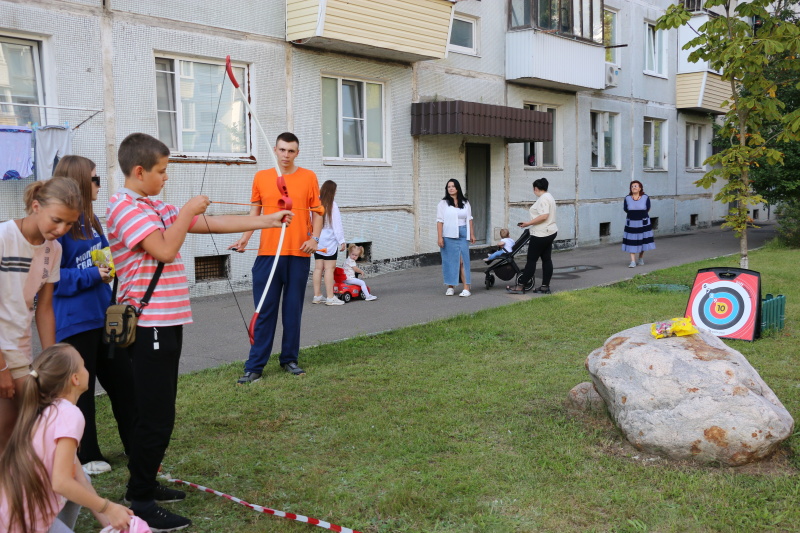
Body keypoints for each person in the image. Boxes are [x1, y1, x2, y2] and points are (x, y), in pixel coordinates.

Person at [107, 132, 292, 531]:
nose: (166, 178)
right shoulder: (123, 207)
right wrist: (189, 207)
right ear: (138, 171)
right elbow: (164, 250)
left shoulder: (154, 203)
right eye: (161, 171)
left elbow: (210, 222)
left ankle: (144, 484)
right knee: (155, 416)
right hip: (150, 324)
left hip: (168, 322)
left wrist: (267, 221)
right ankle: (140, 498)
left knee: (159, 412)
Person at [52, 155, 136, 477]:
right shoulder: (59, 224)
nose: (99, 184)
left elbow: (104, 265)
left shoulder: (92, 220)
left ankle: (135, 444)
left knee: (124, 384)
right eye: (95, 178)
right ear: (77, 182)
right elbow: (50, 280)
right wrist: (91, 276)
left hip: (105, 318)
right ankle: (88, 455)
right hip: (75, 322)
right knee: (81, 391)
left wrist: (112, 272)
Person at [0, 343, 133, 533]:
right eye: (84, 365)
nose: (88, 369)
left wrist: (111, 524)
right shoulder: (70, 415)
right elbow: (61, 482)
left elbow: (79, 478)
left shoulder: (49, 411)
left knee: (83, 477)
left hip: (12, 515)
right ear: (76, 379)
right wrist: (108, 507)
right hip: (21, 523)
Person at [229, 132, 322, 384]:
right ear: (275, 149)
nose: (286, 155)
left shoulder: (309, 177)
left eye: (291, 151)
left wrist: (314, 239)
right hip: (268, 255)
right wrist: (245, 238)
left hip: (298, 255)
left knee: (293, 311)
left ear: (297, 153)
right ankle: (255, 366)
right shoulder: (261, 176)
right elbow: (255, 213)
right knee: (264, 311)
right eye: (282, 150)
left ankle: (289, 359)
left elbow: (318, 212)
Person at [0, 177, 81, 454]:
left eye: (69, 224)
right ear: (36, 206)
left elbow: (44, 309)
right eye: (57, 220)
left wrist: (52, 362)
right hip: (1, 351)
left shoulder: (54, 249)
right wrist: (1, 367)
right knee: (10, 427)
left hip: (20, 349)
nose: (62, 230)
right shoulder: (3, 237)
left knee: (21, 428)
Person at [507, 178, 557, 294]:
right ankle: (545, 286)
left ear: (536, 188)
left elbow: (544, 216)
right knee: (546, 259)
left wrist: (528, 224)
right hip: (551, 232)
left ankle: (521, 286)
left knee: (531, 260)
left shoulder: (543, 199)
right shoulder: (550, 197)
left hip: (541, 234)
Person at [436, 179, 475, 297]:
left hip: (463, 233)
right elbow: (439, 221)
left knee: (463, 261)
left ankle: (466, 288)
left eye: (453, 186)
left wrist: (472, 234)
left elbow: (469, 219)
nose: (451, 188)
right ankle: (450, 286)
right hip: (448, 235)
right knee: (451, 261)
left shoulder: (465, 202)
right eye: (449, 187)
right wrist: (440, 237)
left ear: (457, 188)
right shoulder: (443, 203)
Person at [312, 180, 346, 306]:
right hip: (330, 242)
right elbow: (337, 226)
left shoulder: (316, 204)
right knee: (329, 269)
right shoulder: (332, 205)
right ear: (332, 191)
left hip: (317, 240)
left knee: (317, 268)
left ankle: (317, 296)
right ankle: (330, 297)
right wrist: (341, 241)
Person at [622, 180, 655, 267]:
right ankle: (632, 261)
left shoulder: (645, 197)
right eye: (632, 186)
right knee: (631, 241)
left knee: (643, 241)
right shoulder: (627, 198)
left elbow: (648, 208)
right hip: (631, 222)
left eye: (636, 186)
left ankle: (640, 258)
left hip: (643, 222)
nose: (634, 188)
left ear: (640, 188)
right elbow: (625, 209)